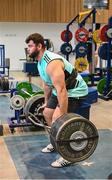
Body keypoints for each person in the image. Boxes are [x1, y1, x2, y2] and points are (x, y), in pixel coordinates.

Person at [25, 33, 88, 168]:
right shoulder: (40, 62)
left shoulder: (52, 62)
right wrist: (47, 102)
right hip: (59, 90)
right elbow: (47, 85)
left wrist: (63, 119)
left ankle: (69, 155)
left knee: (57, 120)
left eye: (30, 46)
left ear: (39, 46)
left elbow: (62, 91)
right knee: (47, 114)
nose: (28, 49)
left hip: (74, 91)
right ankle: (56, 142)